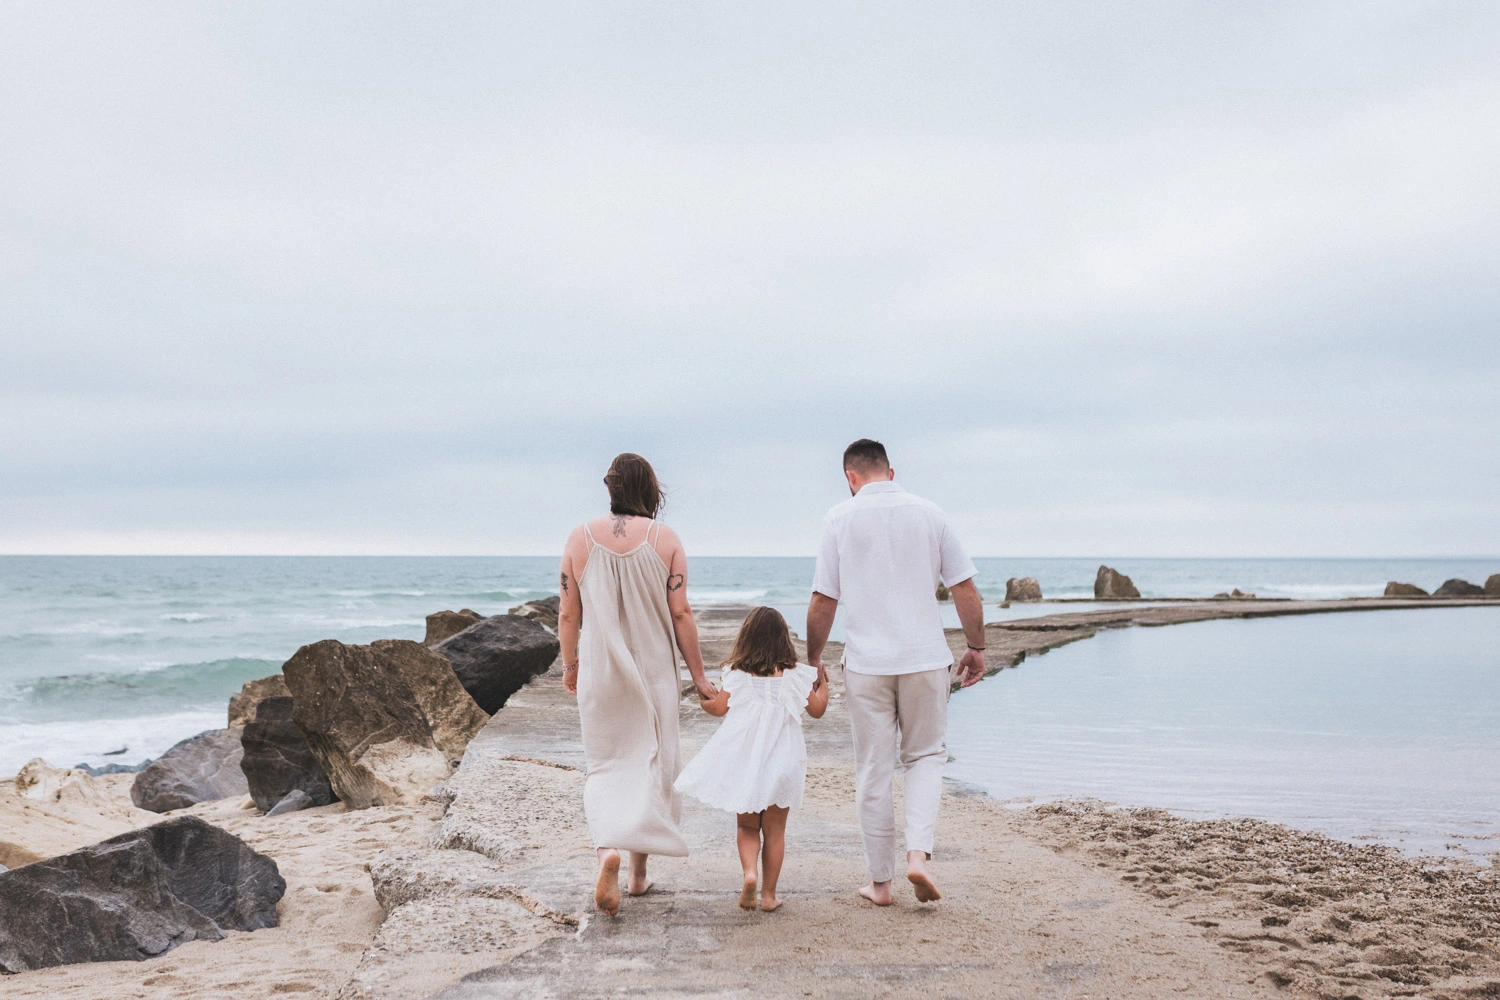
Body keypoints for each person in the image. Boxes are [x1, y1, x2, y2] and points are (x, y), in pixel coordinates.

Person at [805, 438, 986, 906]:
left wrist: (813, 659)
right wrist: (977, 647)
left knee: (874, 769)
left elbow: (824, 599)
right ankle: (917, 858)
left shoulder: (838, 519)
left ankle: (880, 884)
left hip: (867, 664)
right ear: (890, 470)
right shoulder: (931, 513)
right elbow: (964, 588)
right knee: (925, 758)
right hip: (925, 658)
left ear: (851, 477)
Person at [557, 453, 717, 917]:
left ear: (609, 487)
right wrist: (700, 676)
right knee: (651, 762)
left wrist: (571, 665)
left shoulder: (578, 537)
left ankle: (606, 848)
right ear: (650, 489)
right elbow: (681, 612)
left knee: (605, 765)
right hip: (655, 673)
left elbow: (568, 613)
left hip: (601, 671)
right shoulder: (665, 539)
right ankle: (637, 875)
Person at [675, 606, 828, 911]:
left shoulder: (736, 672)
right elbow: (817, 709)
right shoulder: (796, 675)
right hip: (783, 761)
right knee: (775, 830)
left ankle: (749, 874)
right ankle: (769, 896)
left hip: (746, 761)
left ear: (746, 638)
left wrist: (705, 701)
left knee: (746, 826)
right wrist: (823, 684)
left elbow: (719, 708)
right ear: (784, 639)